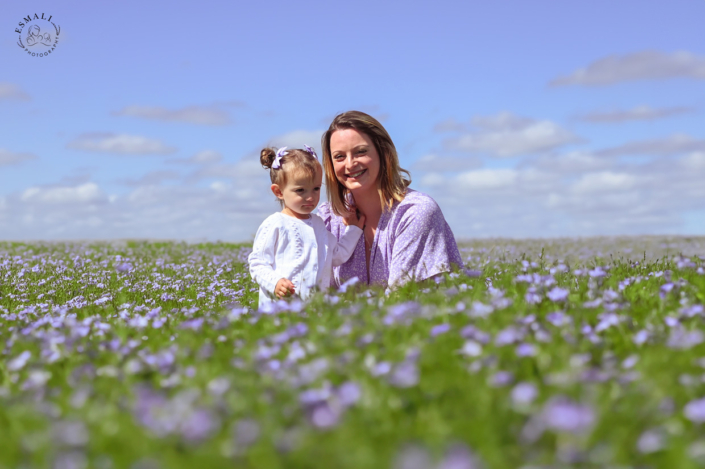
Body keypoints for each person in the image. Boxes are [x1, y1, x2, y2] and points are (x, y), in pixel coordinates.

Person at [317, 111, 463, 290]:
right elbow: (316, 293)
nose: (349, 164)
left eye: (361, 152)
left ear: (383, 153)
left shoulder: (415, 212)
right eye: (339, 156)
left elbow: (402, 300)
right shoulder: (327, 219)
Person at [248, 145, 366, 307]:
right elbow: (258, 263)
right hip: (280, 308)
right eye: (300, 190)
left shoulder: (318, 223)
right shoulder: (275, 224)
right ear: (279, 192)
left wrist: (353, 229)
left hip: (314, 309)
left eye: (316, 189)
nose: (310, 197)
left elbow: (337, 255)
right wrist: (275, 282)